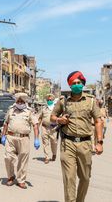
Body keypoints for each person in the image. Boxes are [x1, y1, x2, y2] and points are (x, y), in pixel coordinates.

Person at [51, 71, 104, 202]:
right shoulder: (63, 101)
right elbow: (52, 117)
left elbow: (98, 121)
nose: (76, 85)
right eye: (73, 83)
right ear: (70, 85)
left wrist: (100, 142)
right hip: (67, 143)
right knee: (69, 179)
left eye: (78, 83)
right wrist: (59, 120)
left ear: (82, 84)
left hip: (85, 144)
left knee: (85, 178)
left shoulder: (91, 101)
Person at [1, 92, 40, 189]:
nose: (20, 102)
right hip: (10, 137)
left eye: (22, 101)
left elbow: (35, 125)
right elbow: (6, 123)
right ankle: (10, 176)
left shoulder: (29, 111)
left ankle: (21, 180)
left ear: (25, 101)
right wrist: (3, 136)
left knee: (23, 160)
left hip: (24, 138)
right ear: (16, 101)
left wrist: (36, 139)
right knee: (8, 158)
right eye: (18, 100)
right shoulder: (10, 110)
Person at [38, 94, 58, 164]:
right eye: (48, 100)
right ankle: (46, 157)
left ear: (53, 100)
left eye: (50, 100)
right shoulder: (43, 108)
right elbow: (40, 118)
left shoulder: (56, 108)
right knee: (45, 143)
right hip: (44, 127)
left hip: (53, 128)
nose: (49, 101)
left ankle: (54, 154)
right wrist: (37, 127)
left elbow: (60, 118)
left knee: (54, 142)